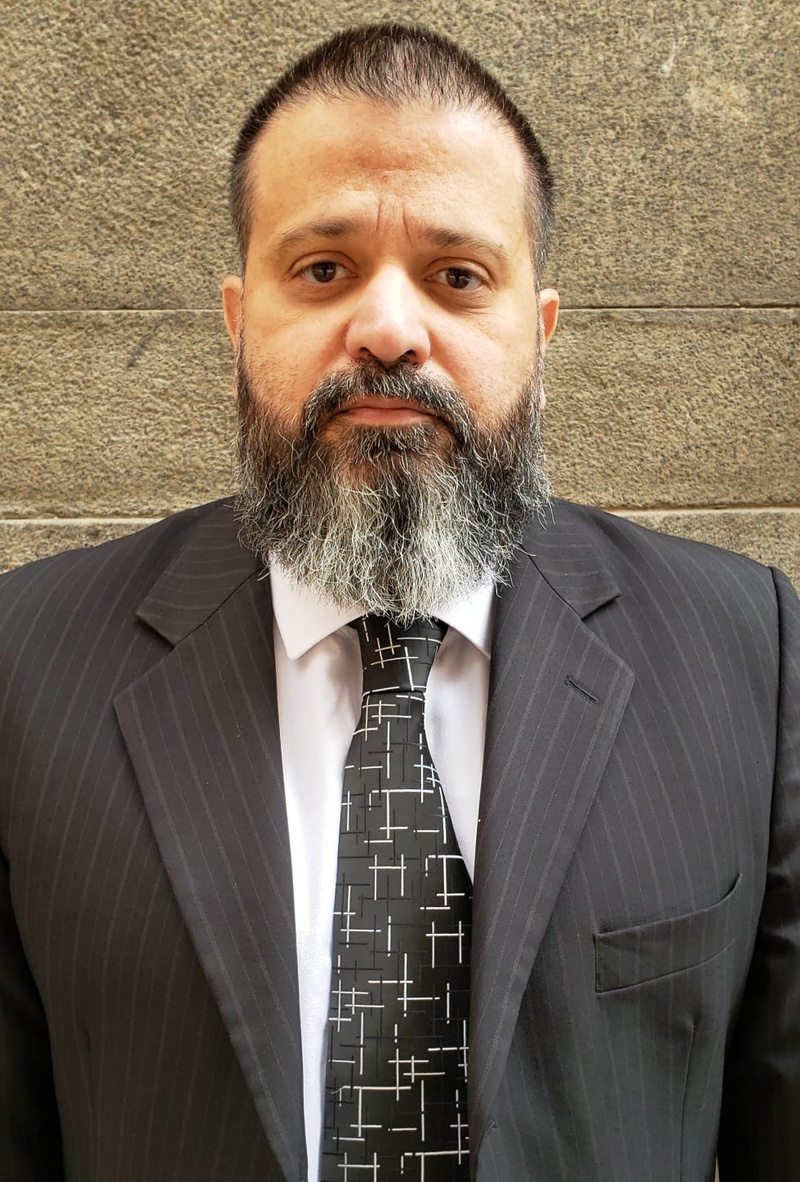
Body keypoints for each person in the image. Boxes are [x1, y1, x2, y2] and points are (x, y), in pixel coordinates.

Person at [0, 21, 797, 1182]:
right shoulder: (27, 665)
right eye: (322, 270)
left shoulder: (745, 654)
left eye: (455, 276)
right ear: (237, 321)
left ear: (537, 331)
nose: (385, 329)